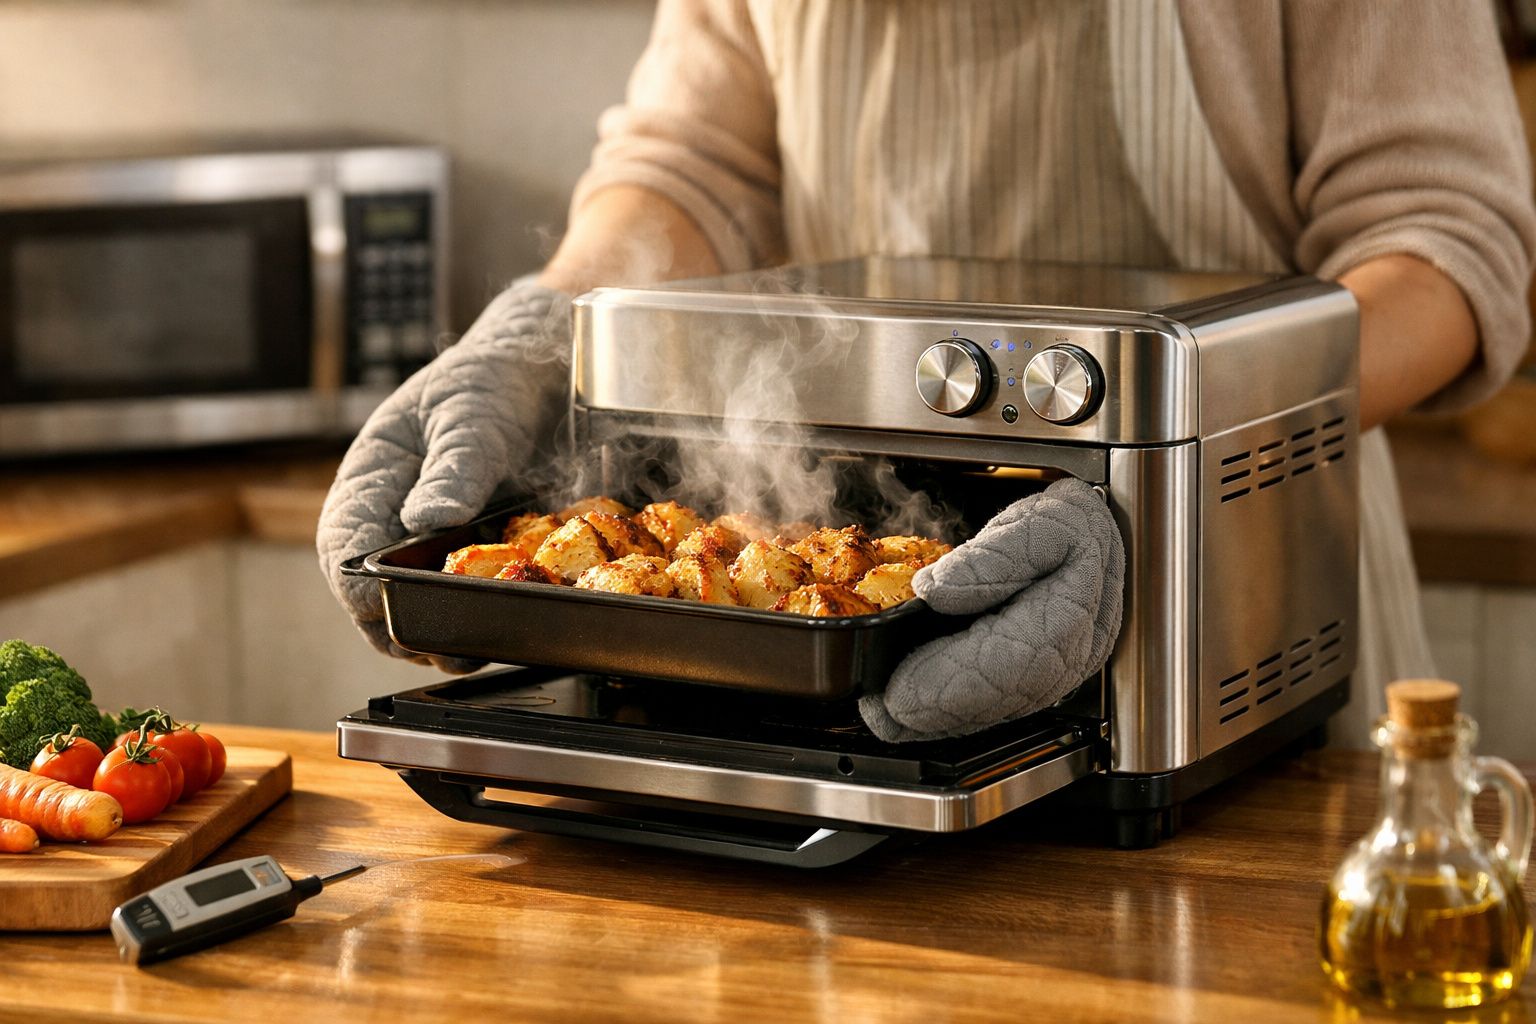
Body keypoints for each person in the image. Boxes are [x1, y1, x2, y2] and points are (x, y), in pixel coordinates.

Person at [318, 0, 1536, 746]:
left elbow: (1441, 247)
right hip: (851, 636)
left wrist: (1154, 478)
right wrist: (550, 328)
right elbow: (694, 164)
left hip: (1225, 595)